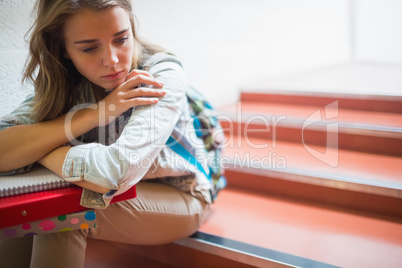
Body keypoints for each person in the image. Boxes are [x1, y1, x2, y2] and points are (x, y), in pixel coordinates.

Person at [0, 0, 212, 267]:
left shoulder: (158, 74)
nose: (112, 60)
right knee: (21, 209)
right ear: (62, 49)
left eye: (121, 39)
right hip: (110, 192)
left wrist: (39, 148)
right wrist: (98, 112)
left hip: (179, 195)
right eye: (89, 48)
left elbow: (112, 174)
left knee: (61, 217)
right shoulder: (64, 82)